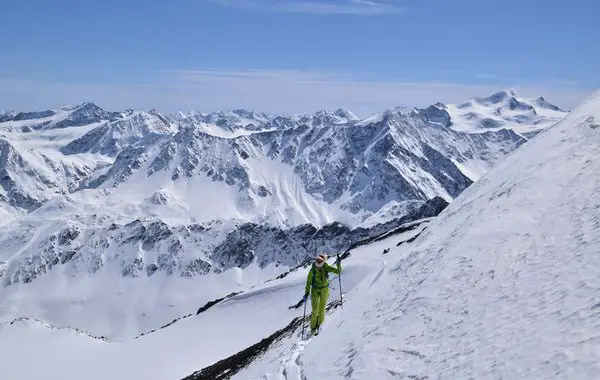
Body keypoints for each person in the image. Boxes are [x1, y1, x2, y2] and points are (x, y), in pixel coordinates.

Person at [303, 253, 341, 335]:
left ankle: (319, 324)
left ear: (323, 262)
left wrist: (338, 264)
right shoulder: (312, 271)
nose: (318, 265)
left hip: (324, 289)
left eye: (320, 263)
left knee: (322, 308)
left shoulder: (326, 268)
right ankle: (313, 326)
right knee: (315, 309)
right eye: (317, 263)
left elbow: (338, 271)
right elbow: (308, 283)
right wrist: (306, 293)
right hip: (315, 290)